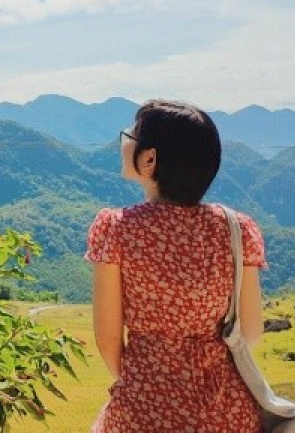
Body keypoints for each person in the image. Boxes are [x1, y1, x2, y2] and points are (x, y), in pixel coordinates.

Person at [85, 99, 267, 432]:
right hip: (228, 412)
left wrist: (150, 384)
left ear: (149, 158)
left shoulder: (117, 229)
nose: (123, 142)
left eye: (129, 135)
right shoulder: (237, 229)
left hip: (145, 411)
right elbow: (252, 331)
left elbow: (108, 340)